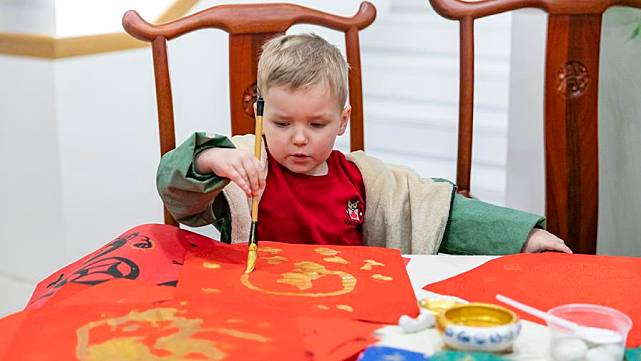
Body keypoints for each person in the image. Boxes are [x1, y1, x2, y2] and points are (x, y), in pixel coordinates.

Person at [156, 33, 572, 255]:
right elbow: (174, 187)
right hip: (263, 311)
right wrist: (212, 158)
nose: (299, 138)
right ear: (261, 117)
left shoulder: (363, 179)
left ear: (343, 121)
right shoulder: (244, 168)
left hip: (350, 310)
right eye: (282, 123)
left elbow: (435, 212)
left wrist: (524, 236)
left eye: (317, 123)